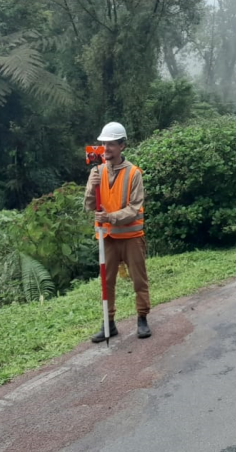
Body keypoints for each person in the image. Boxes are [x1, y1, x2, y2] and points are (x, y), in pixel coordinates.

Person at [84, 121, 151, 342]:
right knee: (106, 281)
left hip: (131, 237)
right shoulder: (96, 171)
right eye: (104, 144)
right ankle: (108, 323)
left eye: (111, 144)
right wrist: (92, 188)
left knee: (138, 280)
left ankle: (142, 319)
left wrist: (110, 217)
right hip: (107, 238)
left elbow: (134, 208)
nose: (106, 149)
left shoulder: (134, 174)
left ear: (122, 145)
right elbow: (89, 205)